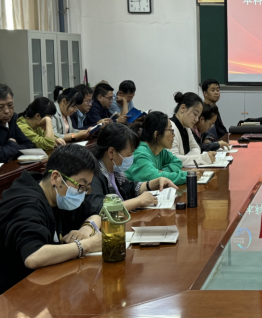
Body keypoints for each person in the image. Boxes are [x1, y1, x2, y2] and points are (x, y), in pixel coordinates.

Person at [0, 144, 102, 294]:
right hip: (15, 292)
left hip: (47, 281)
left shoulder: (59, 195)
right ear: (55, 177)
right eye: (80, 186)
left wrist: (86, 228)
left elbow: (95, 213)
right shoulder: (28, 204)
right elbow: (33, 256)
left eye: (86, 188)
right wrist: (86, 245)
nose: (82, 192)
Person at [88, 123, 178, 214]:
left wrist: (155, 183)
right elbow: (100, 207)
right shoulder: (92, 176)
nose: (131, 157)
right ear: (111, 152)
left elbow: (130, 189)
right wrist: (138, 201)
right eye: (129, 154)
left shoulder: (116, 172)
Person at [126, 111, 202, 185]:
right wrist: (187, 176)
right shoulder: (140, 153)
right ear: (157, 135)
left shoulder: (161, 151)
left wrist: (162, 171)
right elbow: (155, 178)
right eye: (170, 130)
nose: (173, 135)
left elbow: (177, 162)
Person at [169, 92, 216, 167]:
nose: (197, 119)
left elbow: (196, 148)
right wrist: (202, 158)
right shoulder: (170, 128)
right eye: (195, 114)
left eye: (198, 116)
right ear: (183, 108)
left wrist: (185, 159)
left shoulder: (187, 128)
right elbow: (173, 160)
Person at [0, 84, 35, 162]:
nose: (7, 111)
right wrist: (12, 143)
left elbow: (28, 145)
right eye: (0, 107)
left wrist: (9, 151)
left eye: (10, 105)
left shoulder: (12, 120)